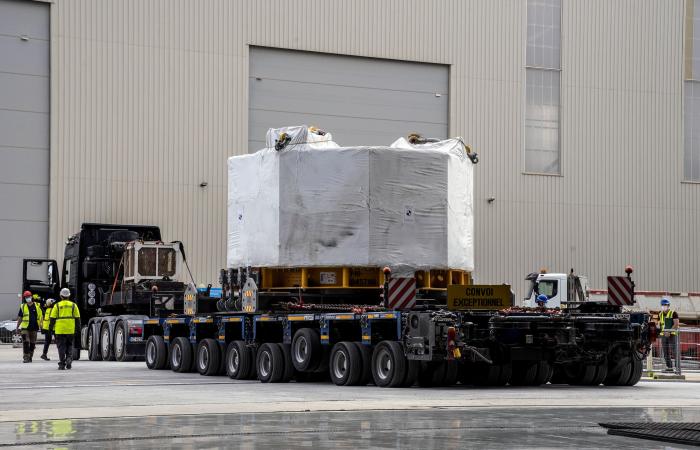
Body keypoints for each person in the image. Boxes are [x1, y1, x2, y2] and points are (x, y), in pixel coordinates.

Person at [49, 288, 81, 370]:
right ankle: (69, 358)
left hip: (59, 330)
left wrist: (50, 329)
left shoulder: (57, 305)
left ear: (61, 296)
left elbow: (52, 319)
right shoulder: (74, 305)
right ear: (69, 295)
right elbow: (78, 319)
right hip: (70, 330)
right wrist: (78, 330)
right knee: (69, 345)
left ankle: (62, 364)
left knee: (61, 347)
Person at [16, 291, 43, 363]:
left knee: (32, 343)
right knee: (26, 342)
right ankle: (26, 357)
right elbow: (20, 317)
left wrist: (41, 325)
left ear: (31, 297)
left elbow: (41, 316)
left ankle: (30, 356)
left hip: (34, 328)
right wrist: (17, 327)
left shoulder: (37, 305)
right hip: (25, 328)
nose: (28, 298)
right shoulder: (23, 306)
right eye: (26, 297)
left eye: (29, 297)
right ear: (24, 298)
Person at [659, 298, 680, 373]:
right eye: (663, 305)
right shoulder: (660, 314)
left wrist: (669, 331)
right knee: (666, 353)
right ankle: (669, 368)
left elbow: (676, 324)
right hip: (664, 335)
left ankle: (678, 369)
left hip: (672, 335)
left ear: (668, 305)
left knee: (675, 352)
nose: (664, 306)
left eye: (666, 305)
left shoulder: (673, 313)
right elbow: (661, 325)